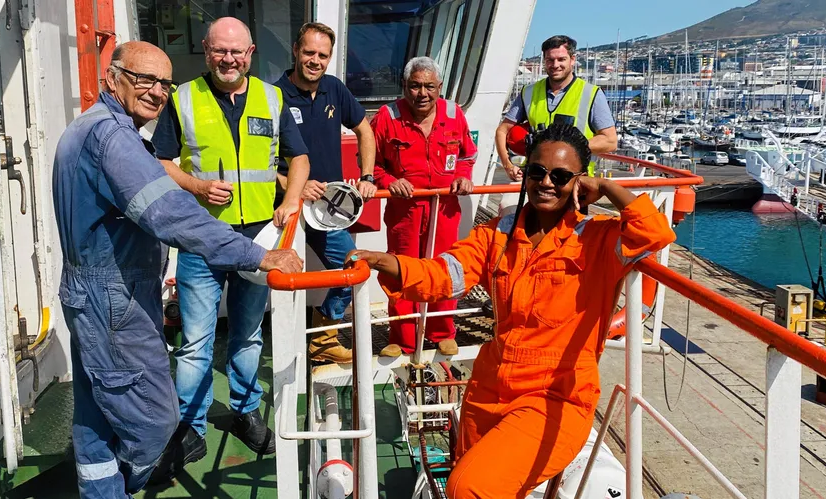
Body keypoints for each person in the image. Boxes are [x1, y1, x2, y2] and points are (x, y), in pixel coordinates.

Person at [349, 124, 675, 497]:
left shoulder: (598, 239)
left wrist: (607, 188)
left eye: (561, 176)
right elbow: (445, 274)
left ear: (579, 181)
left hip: (555, 396)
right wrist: (385, 261)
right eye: (537, 171)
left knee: (468, 488)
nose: (546, 182)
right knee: (476, 479)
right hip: (490, 385)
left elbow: (655, 234)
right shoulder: (497, 235)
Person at [51, 41, 302, 498]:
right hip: (114, 298)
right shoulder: (113, 138)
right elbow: (168, 213)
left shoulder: (90, 126)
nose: (157, 91)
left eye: (164, 83)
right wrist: (258, 255)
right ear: (113, 78)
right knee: (154, 420)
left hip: (92, 292)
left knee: (95, 413)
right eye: (144, 79)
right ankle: (126, 482)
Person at [149, 17, 310, 478]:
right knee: (196, 342)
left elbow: (299, 158)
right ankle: (190, 427)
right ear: (206, 50)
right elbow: (160, 161)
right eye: (220, 50)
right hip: (200, 236)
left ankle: (244, 410)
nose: (229, 59)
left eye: (237, 51)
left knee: (248, 334)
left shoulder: (272, 98)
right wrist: (197, 186)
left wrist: (291, 199)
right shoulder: (183, 98)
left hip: (258, 241)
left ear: (251, 53)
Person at [272, 22, 377, 364]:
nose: (315, 60)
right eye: (309, 52)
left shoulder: (334, 89)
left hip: (327, 209)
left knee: (352, 265)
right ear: (295, 51)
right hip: (286, 209)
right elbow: (258, 160)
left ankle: (323, 337)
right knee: (275, 281)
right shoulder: (273, 95)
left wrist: (367, 175)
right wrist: (294, 185)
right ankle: (278, 350)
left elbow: (365, 130)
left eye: (323, 55)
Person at [370, 56, 477, 358]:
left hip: (445, 209)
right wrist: (389, 181)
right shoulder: (387, 117)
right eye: (415, 86)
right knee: (401, 271)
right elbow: (370, 165)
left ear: (440, 87)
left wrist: (463, 176)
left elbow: (467, 155)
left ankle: (442, 332)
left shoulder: (454, 114)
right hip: (404, 211)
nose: (422, 93)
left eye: (429, 86)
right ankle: (402, 338)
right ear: (405, 86)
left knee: (445, 268)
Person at [495, 35, 617, 180]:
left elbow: (610, 141)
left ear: (572, 59)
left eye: (561, 59)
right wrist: (508, 165)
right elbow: (502, 131)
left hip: (574, 181)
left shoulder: (591, 94)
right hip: (537, 179)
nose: (555, 64)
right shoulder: (528, 93)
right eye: (550, 60)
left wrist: (568, 146)